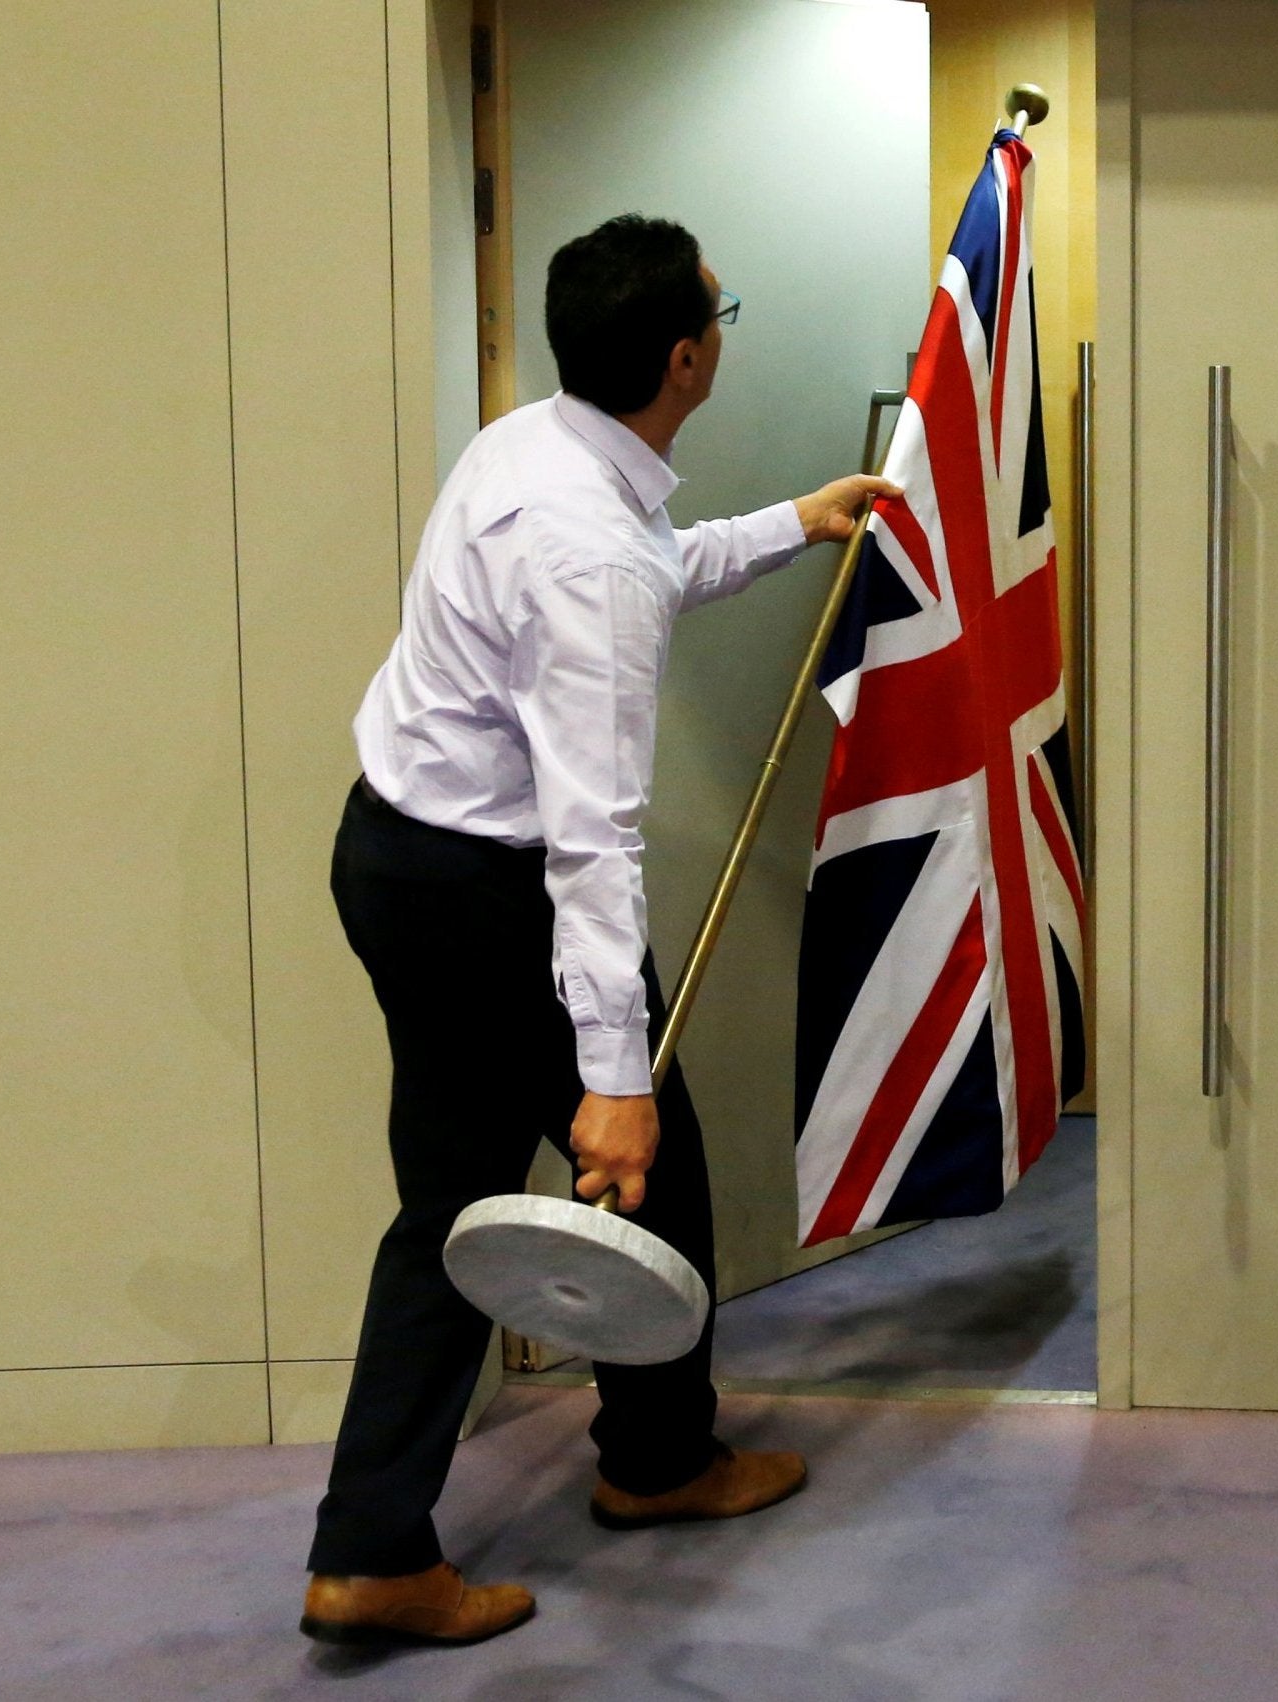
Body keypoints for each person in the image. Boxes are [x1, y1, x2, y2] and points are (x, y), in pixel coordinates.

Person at [298, 213, 897, 1649]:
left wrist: (781, 527)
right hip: (485, 891)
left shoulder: (535, 443)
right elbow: (592, 839)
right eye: (721, 307)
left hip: (392, 853)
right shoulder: (589, 558)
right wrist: (609, 1080)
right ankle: (650, 1465)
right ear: (687, 357)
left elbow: (642, 562)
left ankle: (387, 1539)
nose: (721, 326)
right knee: (634, 1155)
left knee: (450, 1208)